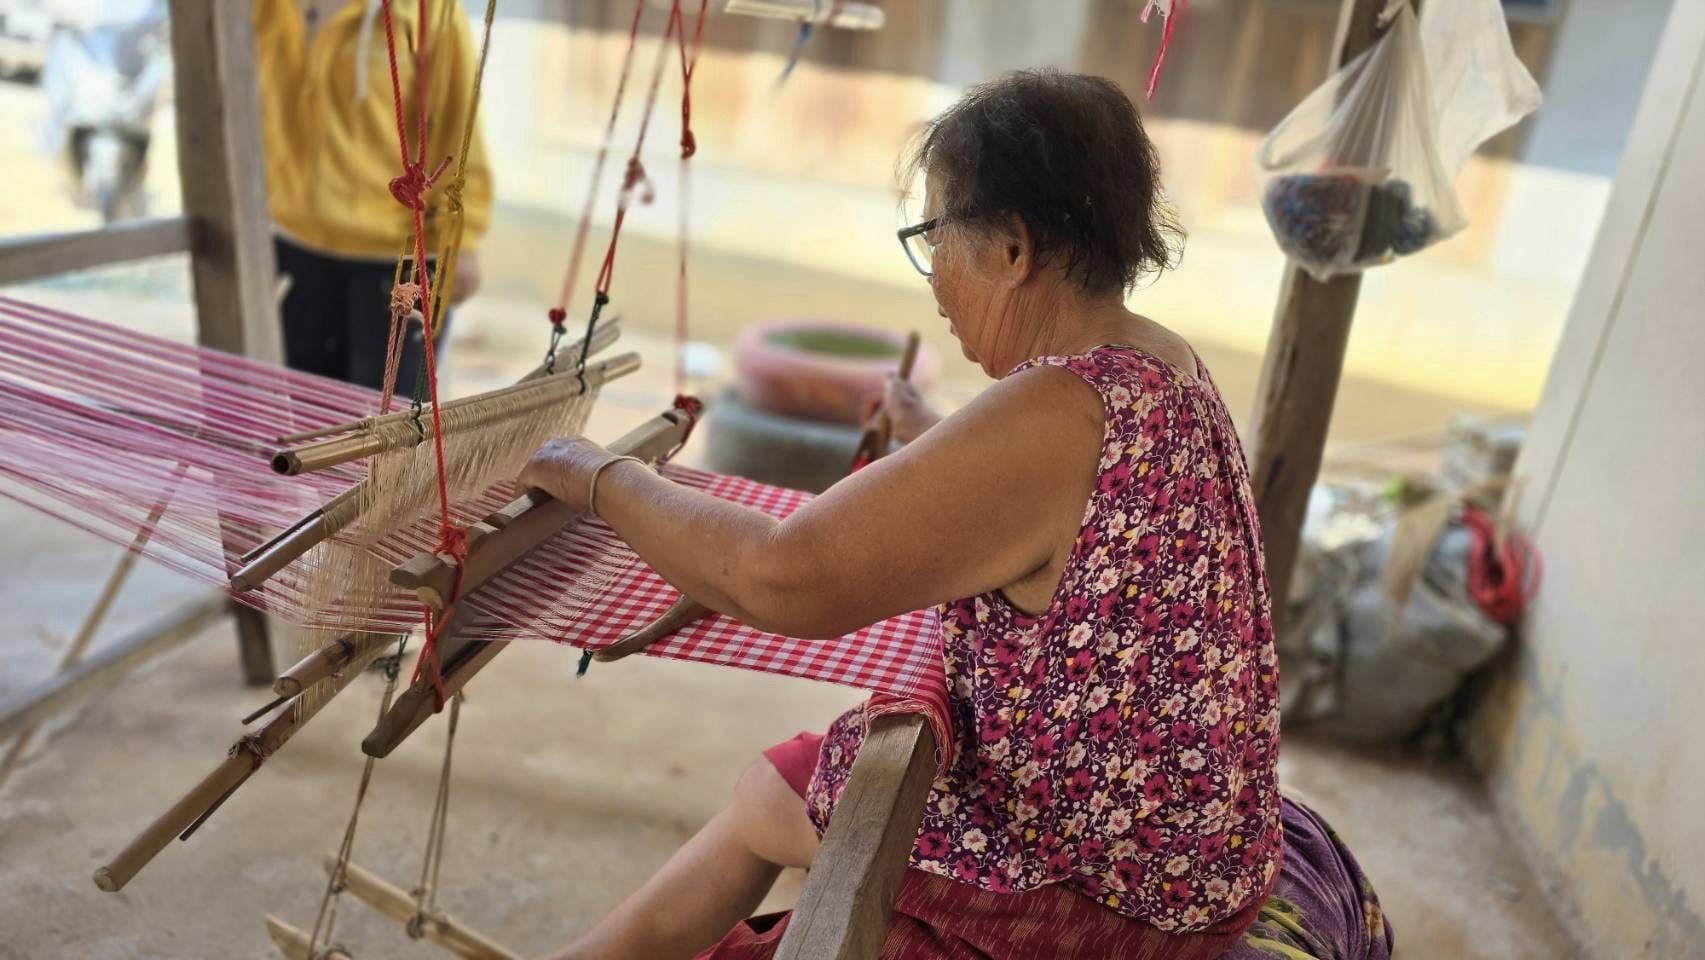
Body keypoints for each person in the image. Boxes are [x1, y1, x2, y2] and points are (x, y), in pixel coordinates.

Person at [521, 70, 1392, 960]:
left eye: (934, 233)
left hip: (1110, 887)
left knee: (769, 799)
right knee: (778, 786)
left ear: (1011, 250)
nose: (931, 275)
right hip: (1187, 853)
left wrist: (596, 475)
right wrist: (934, 440)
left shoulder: (1058, 406)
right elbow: (1073, 521)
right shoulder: (1161, 366)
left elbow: (781, 578)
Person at [252, 0, 493, 392]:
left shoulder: (428, 10)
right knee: (302, 429)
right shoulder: (264, 8)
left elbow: (458, 128)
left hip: (400, 259)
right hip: (295, 245)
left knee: (389, 437)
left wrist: (462, 240)